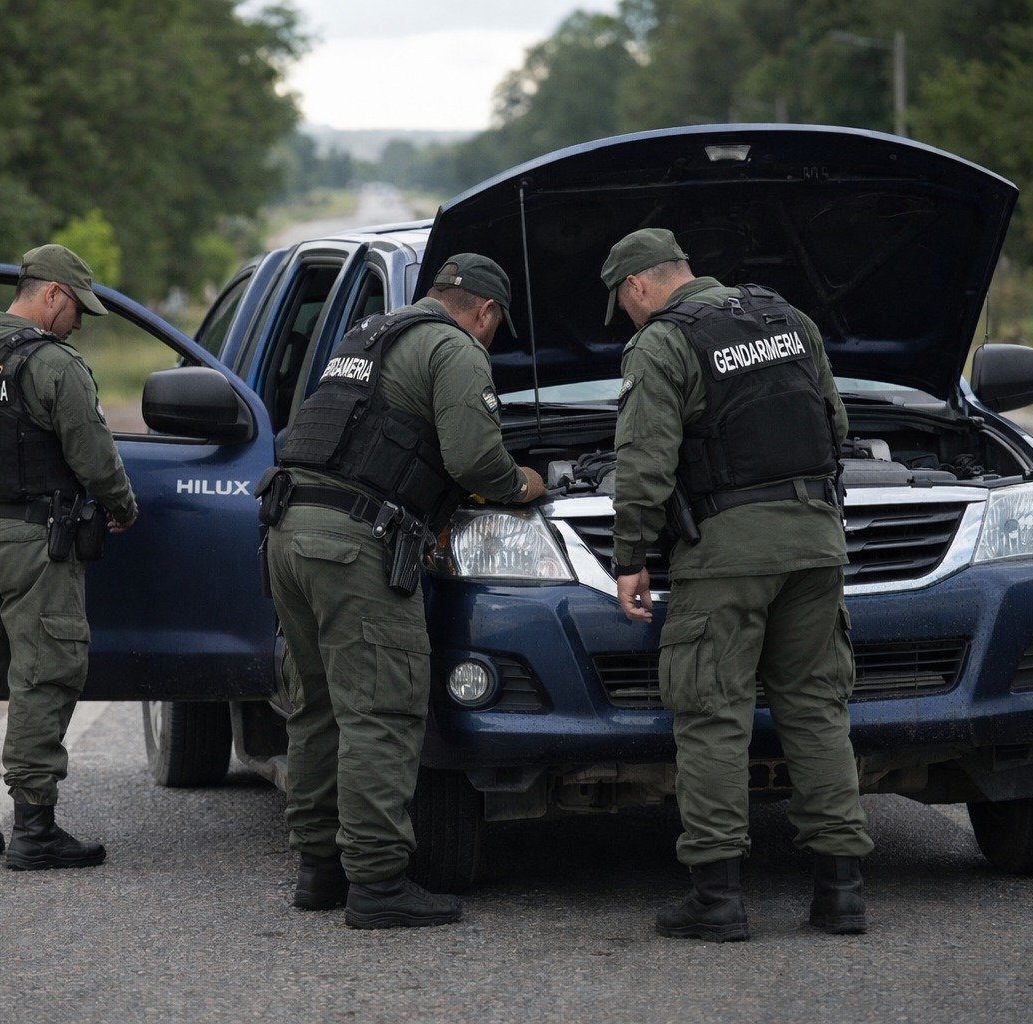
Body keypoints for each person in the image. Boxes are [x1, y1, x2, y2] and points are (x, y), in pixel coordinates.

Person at [260, 253, 546, 928]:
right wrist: (524, 485)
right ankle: (380, 882)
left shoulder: (367, 336)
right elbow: (475, 459)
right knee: (379, 713)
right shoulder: (455, 348)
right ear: (484, 310)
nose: (492, 337)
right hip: (354, 543)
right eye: (496, 326)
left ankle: (320, 868)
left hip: (289, 529)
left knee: (317, 706)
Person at [601, 228, 872, 941]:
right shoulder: (786, 318)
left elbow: (645, 461)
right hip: (817, 542)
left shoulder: (662, 342)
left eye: (624, 306)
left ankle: (717, 898)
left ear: (638, 286)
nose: (629, 318)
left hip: (725, 555)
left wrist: (630, 554)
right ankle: (841, 892)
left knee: (712, 712)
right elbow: (834, 423)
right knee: (816, 708)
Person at [0, 243, 138, 870]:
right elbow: (94, 454)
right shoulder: (52, 365)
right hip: (34, 543)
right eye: (76, 309)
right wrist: (121, 507)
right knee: (43, 674)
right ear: (51, 294)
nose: (78, 323)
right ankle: (35, 829)